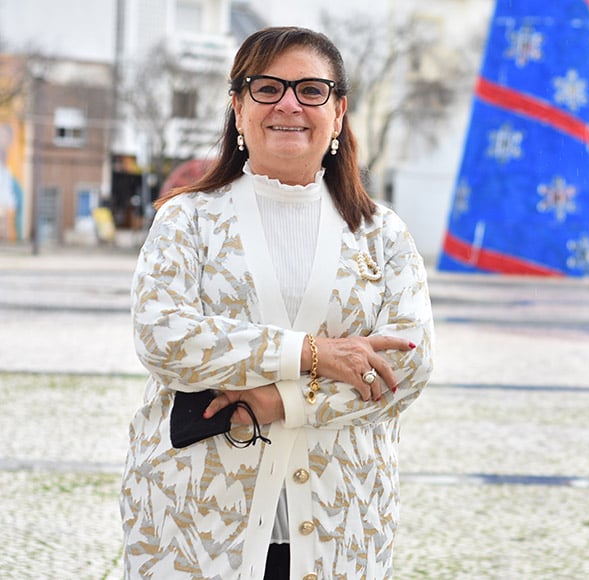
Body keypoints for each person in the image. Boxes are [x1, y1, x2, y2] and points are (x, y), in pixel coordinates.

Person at [120, 27, 434, 579]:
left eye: (311, 90)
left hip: (343, 522)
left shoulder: (381, 234)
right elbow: (163, 337)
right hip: (195, 521)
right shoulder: (187, 219)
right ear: (238, 108)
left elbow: (407, 366)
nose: (289, 104)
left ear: (338, 112)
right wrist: (314, 354)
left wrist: (280, 403)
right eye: (267, 88)